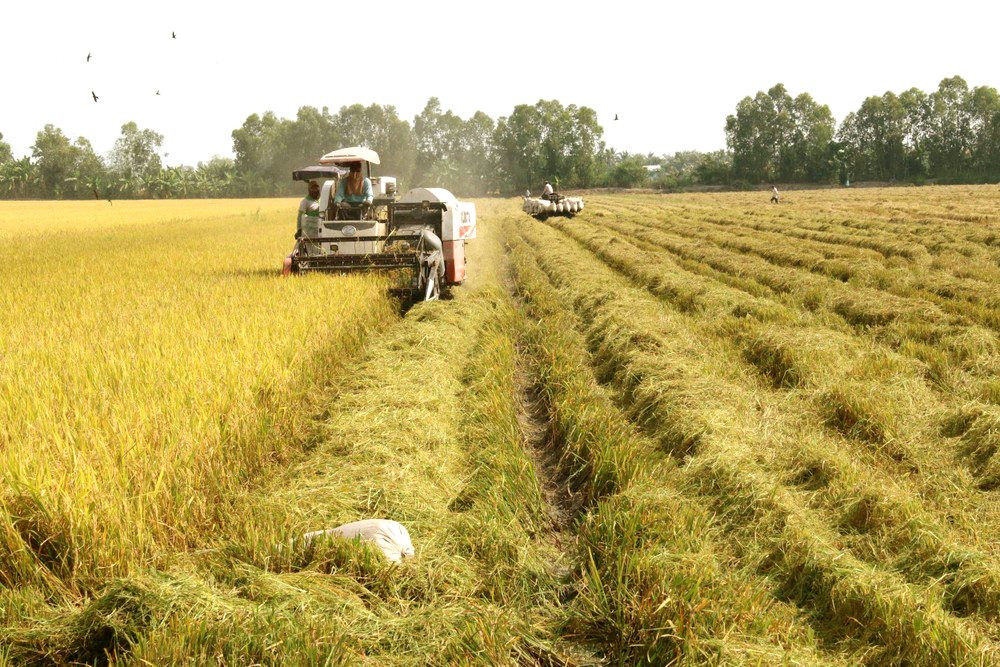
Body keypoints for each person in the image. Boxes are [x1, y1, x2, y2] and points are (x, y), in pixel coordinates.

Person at [297, 180, 322, 254]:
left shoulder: (319, 201)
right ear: (309, 190)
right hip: (309, 232)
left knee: (320, 250)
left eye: (317, 187)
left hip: (319, 230)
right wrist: (299, 229)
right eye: (313, 188)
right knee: (311, 252)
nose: (316, 189)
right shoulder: (305, 201)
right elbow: (300, 216)